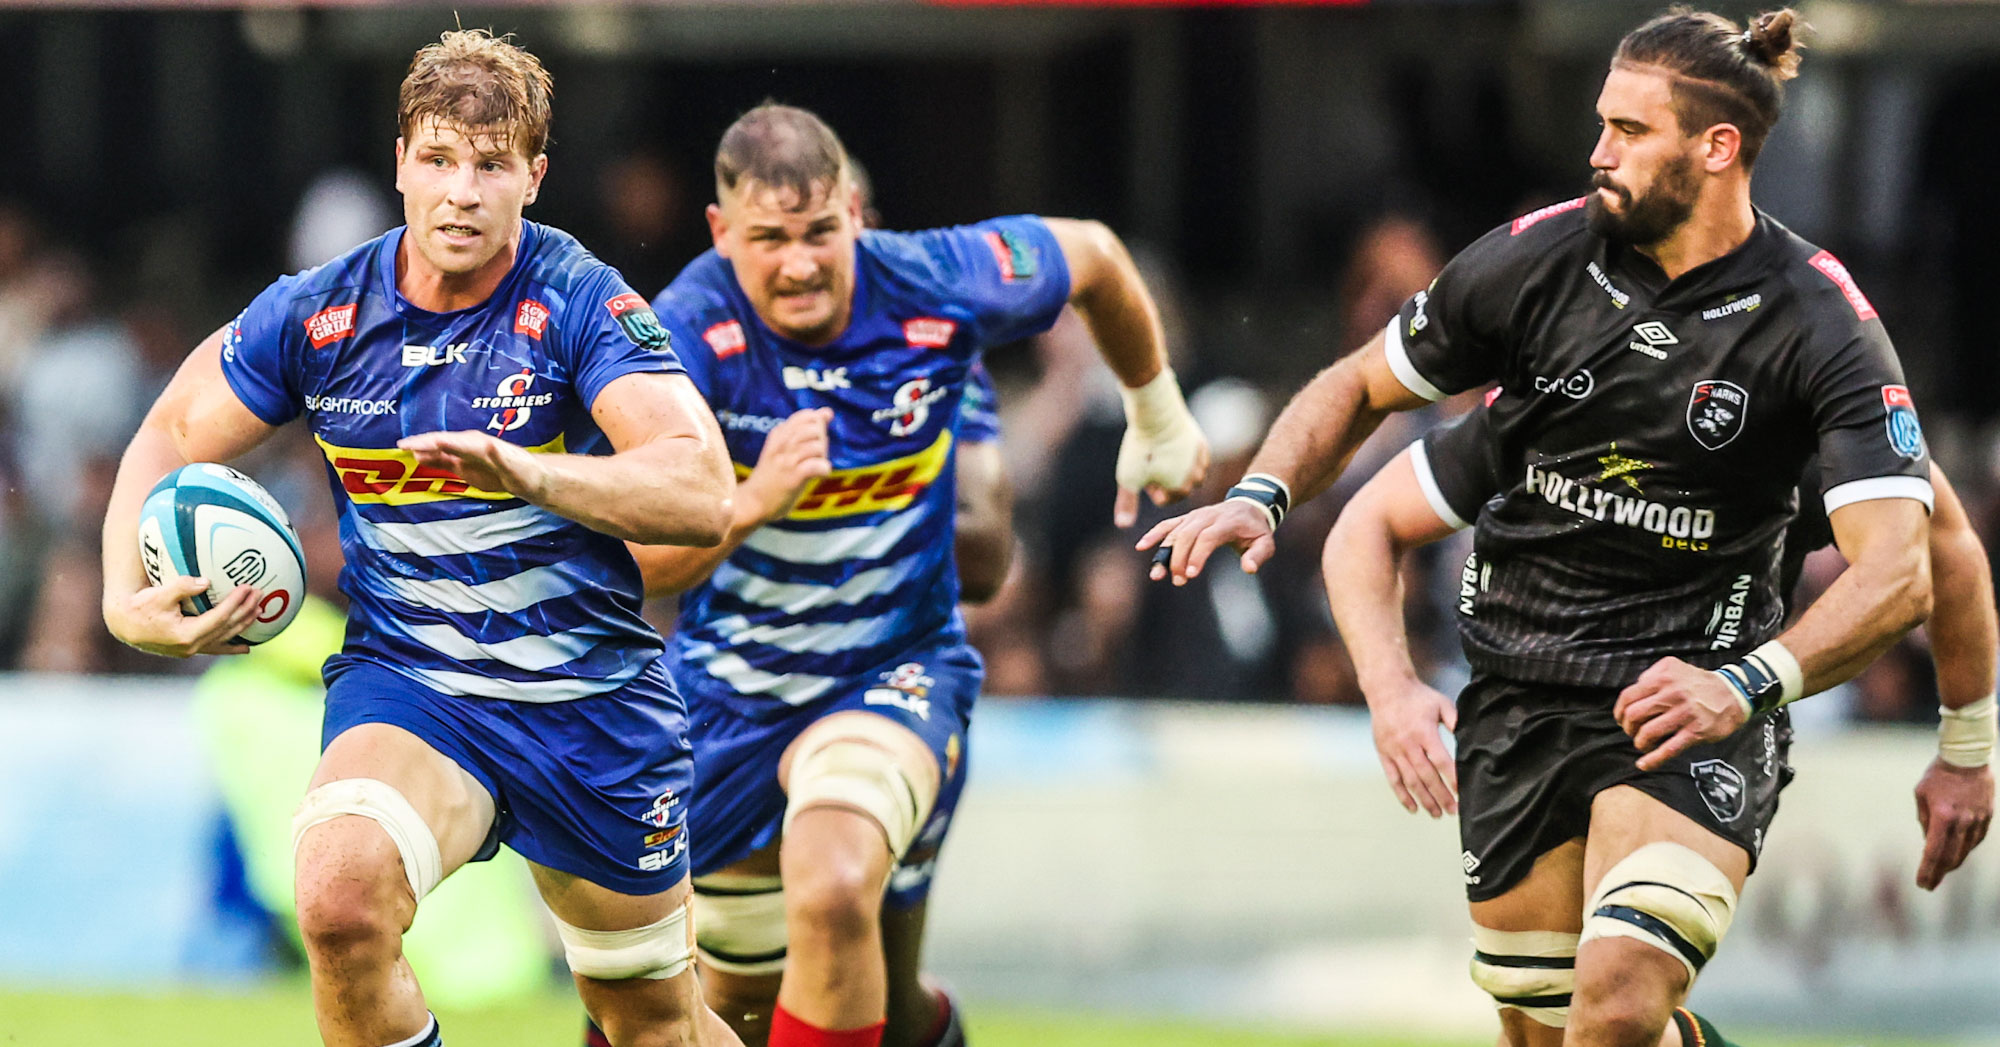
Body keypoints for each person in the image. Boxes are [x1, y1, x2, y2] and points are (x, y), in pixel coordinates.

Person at [1142, 9, 1951, 1047]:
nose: (1597, 152)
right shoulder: (1536, 268)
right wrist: (1264, 499)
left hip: (1686, 702)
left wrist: (1754, 685)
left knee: (1616, 1001)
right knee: (1545, 1029)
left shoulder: (1817, 322)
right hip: (1519, 703)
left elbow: (1907, 573)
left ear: (1716, 148)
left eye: (1628, 131)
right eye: (1600, 125)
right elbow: (1359, 391)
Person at [99, 30, 744, 1047]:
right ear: (400, 163)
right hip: (415, 685)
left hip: (587, 704)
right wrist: (119, 597)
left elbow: (701, 488)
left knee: (651, 1020)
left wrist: (535, 473)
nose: (461, 193)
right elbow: (172, 432)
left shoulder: (581, 300)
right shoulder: (322, 313)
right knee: (338, 900)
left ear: (533, 178)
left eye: (490, 166)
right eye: (439, 159)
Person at [621, 104, 1206, 1047]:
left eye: (820, 231)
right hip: (730, 689)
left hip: (892, 671)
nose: (800, 264)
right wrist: (755, 500)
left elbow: (1096, 256)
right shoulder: (678, 338)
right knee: (735, 1005)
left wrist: (1158, 415)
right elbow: (636, 565)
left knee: (834, 884)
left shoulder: (934, 285)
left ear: (856, 211)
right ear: (722, 232)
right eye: (769, 240)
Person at [1322, 404, 1995, 1042]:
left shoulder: (1800, 388)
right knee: (1542, 1034)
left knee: (1619, 1006)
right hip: (1529, 717)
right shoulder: (1553, 378)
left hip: (1700, 711)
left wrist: (1966, 747)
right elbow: (1370, 518)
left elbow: (1942, 544)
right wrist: (1390, 689)